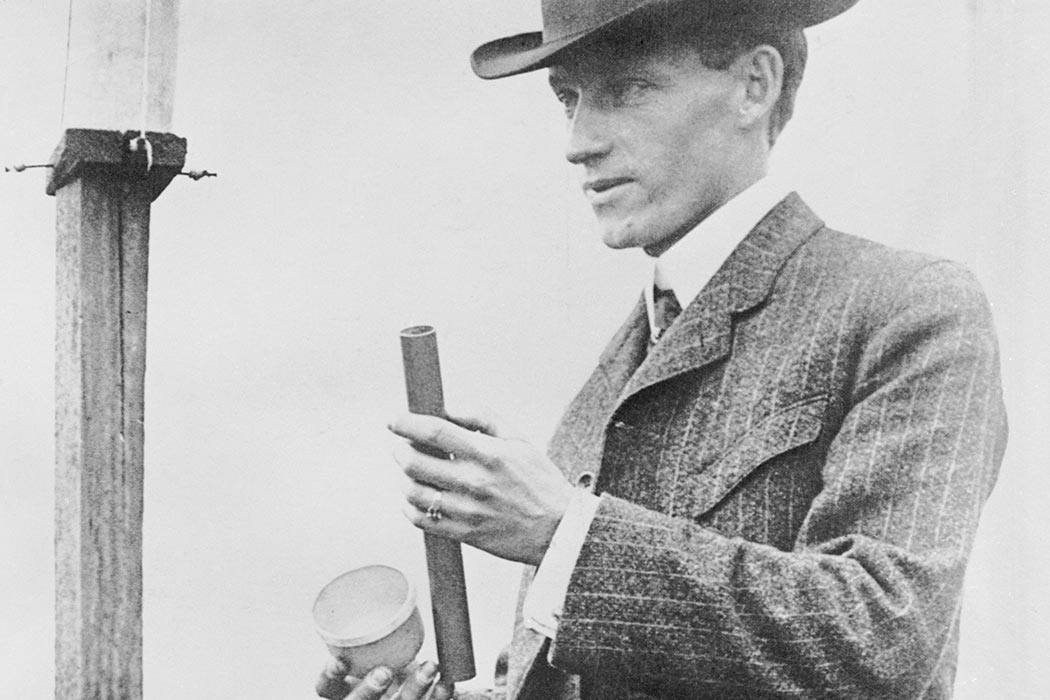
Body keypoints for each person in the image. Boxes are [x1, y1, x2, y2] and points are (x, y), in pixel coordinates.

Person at [318, 0, 1007, 697]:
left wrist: (565, 536)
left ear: (754, 86)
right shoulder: (617, 371)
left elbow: (884, 637)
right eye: (568, 99)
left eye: (626, 90)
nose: (578, 141)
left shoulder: (908, 306)